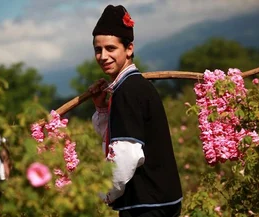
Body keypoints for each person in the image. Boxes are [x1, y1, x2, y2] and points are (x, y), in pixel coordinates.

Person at [89, 5, 182, 217]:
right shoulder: (133, 86)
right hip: (160, 202)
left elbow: (126, 155)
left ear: (129, 49)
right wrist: (101, 108)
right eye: (98, 49)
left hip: (147, 206)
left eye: (111, 48)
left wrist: (104, 192)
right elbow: (117, 136)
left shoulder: (128, 91)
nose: (103, 56)